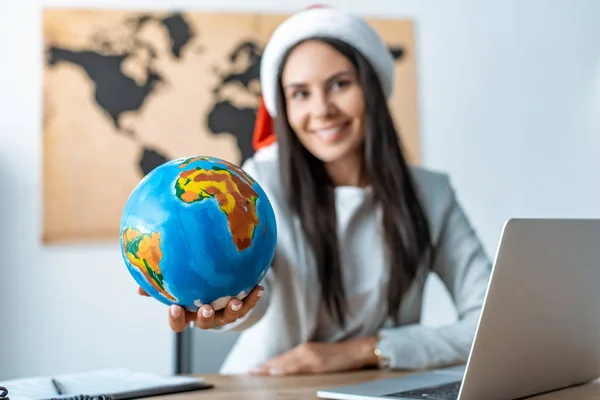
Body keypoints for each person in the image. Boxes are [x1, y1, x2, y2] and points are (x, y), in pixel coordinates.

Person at [138, 6, 492, 376]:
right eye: (300, 94)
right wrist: (230, 302)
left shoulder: (430, 193)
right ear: (285, 108)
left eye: (340, 84)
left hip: (383, 388)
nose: (322, 109)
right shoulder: (259, 184)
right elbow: (261, 290)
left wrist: (368, 350)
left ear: (371, 88)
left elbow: (490, 320)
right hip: (272, 384)